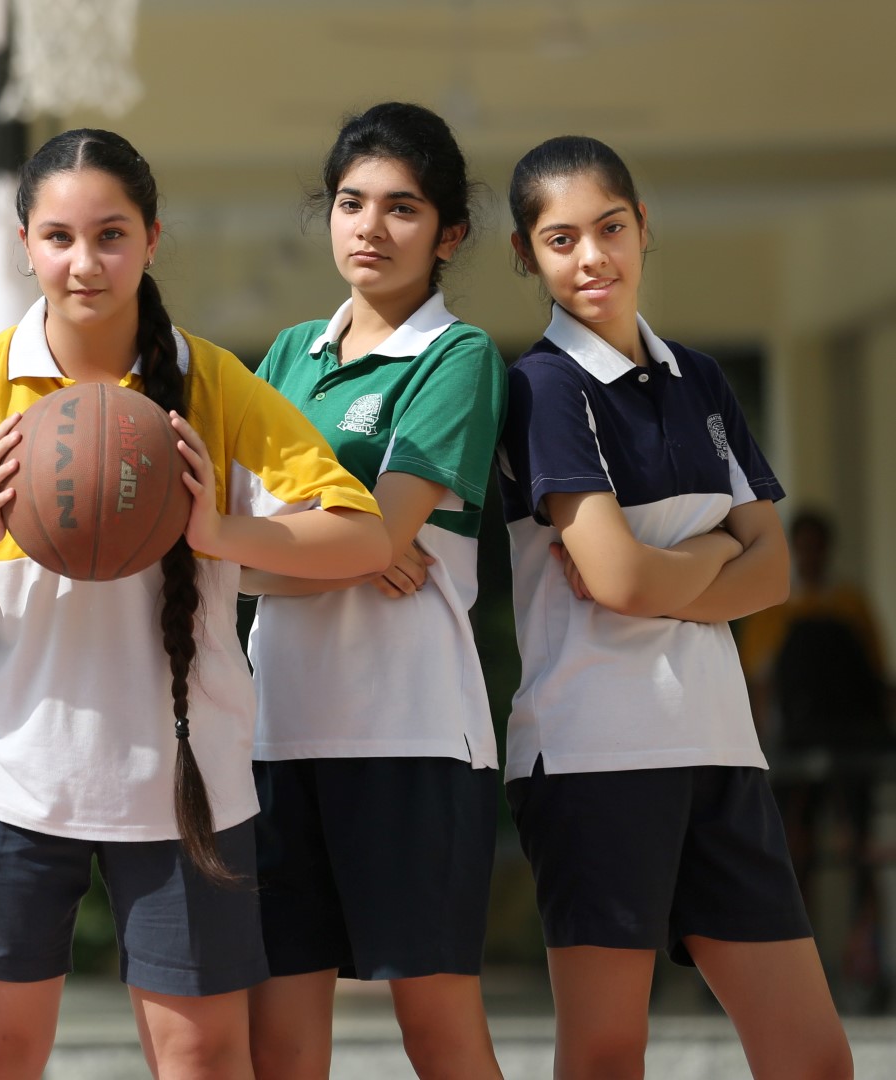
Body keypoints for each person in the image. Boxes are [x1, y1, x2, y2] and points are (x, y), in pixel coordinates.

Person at [0, 128, 390, 1080]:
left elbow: (360, 536)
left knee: (202, 1057)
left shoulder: (212, 382)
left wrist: (218, 531)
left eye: (110, 235)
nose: (84, 262)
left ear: (151, 238)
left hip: (189, 775)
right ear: (23, 244)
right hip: (9, 769)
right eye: (58, 237)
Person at [496, 134, 853, 1078]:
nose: (591, 257)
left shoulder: (700, 379)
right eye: (560, 239)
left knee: (813, 1058)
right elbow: (621, 582)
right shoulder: (540, 389)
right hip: (593, 755)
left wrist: (677, 567)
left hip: (721, 749)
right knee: (607, 1053)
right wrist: (719, 546)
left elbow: (771, 573)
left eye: (609, 228)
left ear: (643, 226)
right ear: (526, 254)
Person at [242, 102, 506, 1079]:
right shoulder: (287, 355)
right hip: (273, 733)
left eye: (402, 208)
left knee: (437, 1035)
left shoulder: (458, 357)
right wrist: (337, 544)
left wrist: (335, 538)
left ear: (450, 234)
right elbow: (223, 527)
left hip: (410, 734)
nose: (369, 227)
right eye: (351, 202)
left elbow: (376, 537)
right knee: (279, 1046)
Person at [739, 508, 891, 1004]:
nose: (810, 554)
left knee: (857, 849)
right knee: (794, 852)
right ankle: (796, 969)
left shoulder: (850, 604)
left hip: (851, 745)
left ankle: (864, 960)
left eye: (816, 545)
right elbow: (758, 684)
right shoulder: (772, 603)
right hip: (791, 748)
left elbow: (876, 677)